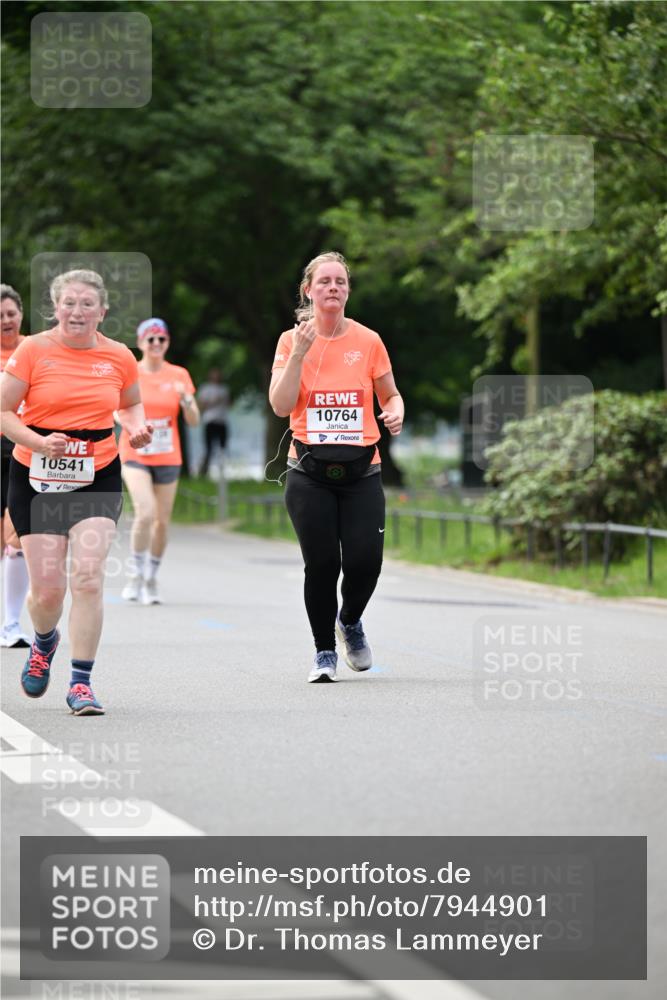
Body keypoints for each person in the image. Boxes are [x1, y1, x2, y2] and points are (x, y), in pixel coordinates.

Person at [0, 268, 152, 715]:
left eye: (87, 304)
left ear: (102, 311)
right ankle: (44, 642)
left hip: (97, 474)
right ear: (55, 308)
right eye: (69, 303)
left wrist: (138, 427)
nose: (77, 311)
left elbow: (130, 404)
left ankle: (81, 683)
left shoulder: (120, 356)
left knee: (87, 577)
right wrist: (36, 441)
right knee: (48, 593)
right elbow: (4, 410)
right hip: (36, 476)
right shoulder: (32, 350)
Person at [269, 250, 404, 683]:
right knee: (323, 565)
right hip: (309, 473)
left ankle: (350, 621)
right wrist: (298, 355)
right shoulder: (292, 341)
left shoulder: (368, 340)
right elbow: (280, 405)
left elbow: (391, 394)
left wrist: (396, 411)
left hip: (362, 471)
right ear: (308, 290)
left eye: (340, 282)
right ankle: (324, 651)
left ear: (347, 290)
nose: (333, 288)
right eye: (324, 281)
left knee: (366, 561)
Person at [119, 318, 199, 605]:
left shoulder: (179, 374)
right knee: (145, 512)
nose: (156, 344)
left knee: (162, 523)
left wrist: (186, 400)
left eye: (161, 339)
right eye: (150, 339)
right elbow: (117, 409)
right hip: (135, 453)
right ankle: (135, 574)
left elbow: (193, 420)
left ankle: (151, 577)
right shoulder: (130, 373)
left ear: (167, 343)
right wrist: (132, 426)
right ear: (140, 342)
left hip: (168, 454)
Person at [0, 284, 30, 647]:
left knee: (17, 536)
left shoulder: (35, 348)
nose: (5, 321)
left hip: (24, 452)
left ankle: (10, 623)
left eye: (10, 313)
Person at [197, 367, 229, 477]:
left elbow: (229, 404)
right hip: (209, 421)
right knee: (208, 448)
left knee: (223, 448)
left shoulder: (224, 389)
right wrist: (214, 401)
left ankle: (222, 472)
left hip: (222, 421)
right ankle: (204, 471)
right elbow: (200, 405)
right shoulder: (205, 389)